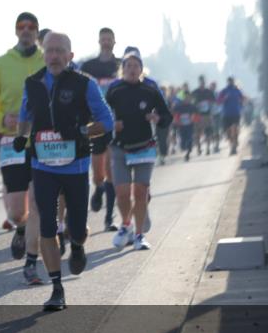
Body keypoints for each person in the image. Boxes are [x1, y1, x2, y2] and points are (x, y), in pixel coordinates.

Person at [14, 32, 113, 311]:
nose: (54, 55)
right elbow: (25, 114)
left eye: (60, 51)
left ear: (70, 56)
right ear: (44, 54)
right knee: (47, 222)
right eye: (50, 50)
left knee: (77, 227)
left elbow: (106, 120)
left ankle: (78, 244)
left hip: (76, 165)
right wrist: (21, 136)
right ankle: (57, 287)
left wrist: (82, 131)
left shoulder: (84, 84)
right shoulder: (32, 83)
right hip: (42, 164)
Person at [0, 12, 44, 259]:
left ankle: (33, 255)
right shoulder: (0, 64)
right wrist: (1, 118)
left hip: (44, 140)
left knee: (41, 201)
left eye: (31, 26)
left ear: (37, 31)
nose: (26, 30)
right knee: (18, 211)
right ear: (16, 31)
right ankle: (20, 227)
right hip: (12, 141)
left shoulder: (47, 59)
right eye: (22, 26)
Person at [104, 52, 172, 250]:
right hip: (119, 147)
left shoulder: (150, 89)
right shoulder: (114, 89)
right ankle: (126, 224)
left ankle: (139, 235)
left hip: (144, 146)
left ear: (142, 70)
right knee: (122, 193)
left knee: (141, 192)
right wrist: (111, 124)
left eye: (136, 66)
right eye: (128, 66)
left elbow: (166, 115)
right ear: (122, 70)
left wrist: (157, 118)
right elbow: (102, 113)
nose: (132, 70)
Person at [80, 28, 121, 231]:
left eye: (109, 39)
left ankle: (109, 218)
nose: (106, 42)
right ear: (98, 41)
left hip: (115, 124)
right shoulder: (88, 66)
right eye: (103, 39)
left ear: (114, 42)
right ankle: (98, 189)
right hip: (95, 124)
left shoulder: (121, 65)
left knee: (112, 171)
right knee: (98, 174)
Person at [217, 76, 246, 155]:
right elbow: (218, 101)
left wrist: (242, 102)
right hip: (226, 114)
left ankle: (234, 146)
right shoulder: (224, 91)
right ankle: (232, 145)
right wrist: (224, 99)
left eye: (232, 81)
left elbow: (243, 98)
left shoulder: (237, 90)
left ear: (233, 82)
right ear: (228, 82)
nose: (231, 82)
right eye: (230, 81)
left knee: (234, 129)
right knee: (228, 132)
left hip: (236, 113)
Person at [191, 75, 217, 156]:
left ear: (205, 82)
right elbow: (190, 101)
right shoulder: (195, 92)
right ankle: (199, 148)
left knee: (208, 132)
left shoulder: (209, 92)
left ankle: (208, 148)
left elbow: (214, 102)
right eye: (201, 81)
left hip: (207, 115)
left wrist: (210, 107)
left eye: (203, 81)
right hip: (197, 115)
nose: (202, 82)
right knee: (197, 133)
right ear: (199, 82)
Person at [172, 84, 196, 162]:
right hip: (181, 126)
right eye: (185, 97)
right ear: (183, 98)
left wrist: (193, 118)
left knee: (189, 139)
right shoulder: (178, 106)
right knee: (183, 140)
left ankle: (188, 153)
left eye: (188, 98)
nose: (187, 99)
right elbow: (174, 114)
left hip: (190, 125)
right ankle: (184, 148)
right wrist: (176, 121)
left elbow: (196, 115)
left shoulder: (192, 106)